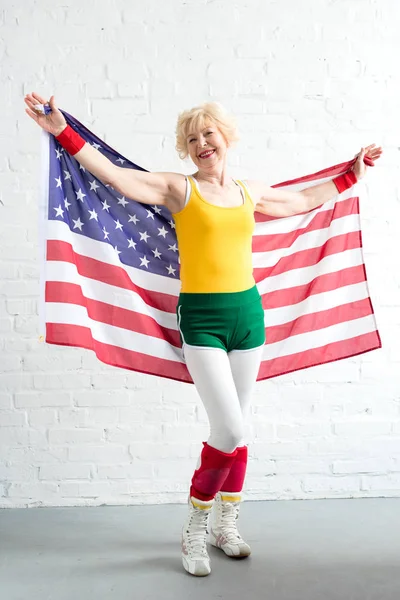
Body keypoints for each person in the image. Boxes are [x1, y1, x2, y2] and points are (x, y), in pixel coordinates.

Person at [24, 92, 382, 577]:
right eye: (191, 139)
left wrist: (351, 173)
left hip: (248, 316)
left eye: (207, 134)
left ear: (225, 137)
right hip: (202, 319)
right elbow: (117, 177)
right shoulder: (178, 189)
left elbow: (300, 200)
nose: (201, 143)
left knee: (239, 428)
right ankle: (195, 525)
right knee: (230, 429)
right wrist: (63, 131)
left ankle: (225, 524)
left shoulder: (248, 190)